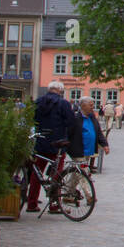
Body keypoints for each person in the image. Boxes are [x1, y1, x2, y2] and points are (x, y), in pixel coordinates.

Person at [28, 81, 78, 212]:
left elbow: (32, 119)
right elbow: (71, 122)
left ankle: (31, 203)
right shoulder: (63, 104)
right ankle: (54, 204)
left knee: (36, 174)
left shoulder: (38, 102)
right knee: (57, 174)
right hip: (57, 144)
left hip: (41, 142)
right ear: (60, 91)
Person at [72, 96, 110, 172]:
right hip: (79, 151)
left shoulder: (92, 117)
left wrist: (105, 145)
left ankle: (69, 184)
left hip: (88, 151)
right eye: (91, 105)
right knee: (84, 172)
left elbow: (98, 132)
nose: (93, 107)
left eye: (93, 105)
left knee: (77, 175)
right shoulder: (75, 118)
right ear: (83, 105)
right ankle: (88, 183)